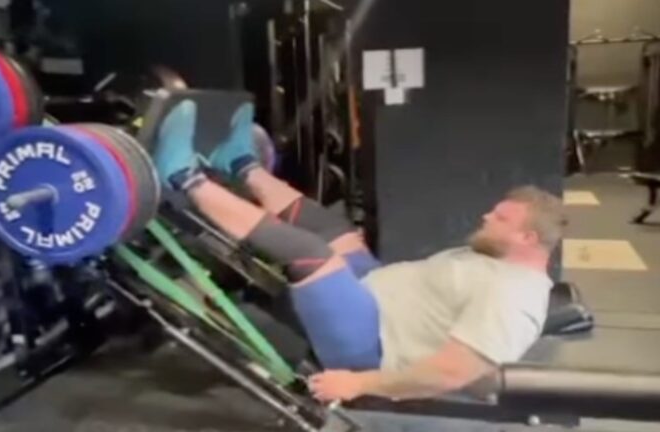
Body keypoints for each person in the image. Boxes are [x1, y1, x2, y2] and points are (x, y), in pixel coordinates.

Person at [150, 99, 567, 403]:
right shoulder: (498, 261)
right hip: (372, 291)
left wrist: (357, 384)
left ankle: (183, 177)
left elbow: (452, 373)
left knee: (309, 252)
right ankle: (241, 163)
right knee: (332, 228)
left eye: (501, 218)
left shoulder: (516, 300)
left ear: (528, 239)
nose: (487, 216)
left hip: (368, 344)